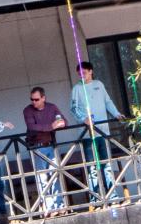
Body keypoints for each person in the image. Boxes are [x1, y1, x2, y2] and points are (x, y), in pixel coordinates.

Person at [69, 61, 123, 200]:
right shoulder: (77, 89)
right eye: (79, 73)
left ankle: (112, 194)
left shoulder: (99, 84)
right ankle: (95, 196)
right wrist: (83, 119)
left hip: (103, 132)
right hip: (88, 134)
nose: (82, 75)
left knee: (107, 164)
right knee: (92, 167)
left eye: (84, 72)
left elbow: (107, 101)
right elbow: (74, 109)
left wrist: (116, 114)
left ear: (90, 71)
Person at [23, 87, 66, 214]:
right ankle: (48, 207)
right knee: (42, 178)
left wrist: (61, 123)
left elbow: (63, 121)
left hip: (50, 144)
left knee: (55, 175)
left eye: (36, 99)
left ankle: (59, 205)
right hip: (36, 146)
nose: (34, 102)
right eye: (32, 99)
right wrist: (51, 126)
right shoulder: (28, 110)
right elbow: (32, 127)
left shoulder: (51, 107)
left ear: (43, 98)